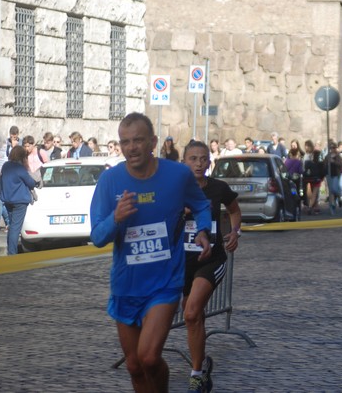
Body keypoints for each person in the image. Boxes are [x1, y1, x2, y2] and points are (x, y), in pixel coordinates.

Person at [90, 112, 212, 393]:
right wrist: (115, 219)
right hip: (125, 285)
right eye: (125, 142)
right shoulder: (110, 180)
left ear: (153, 142)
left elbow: (202, 204)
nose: (131, 147)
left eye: (138, 140)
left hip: (164, 284)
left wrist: (203, 230)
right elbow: (97, 237)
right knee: (134, 365)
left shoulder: (178, 174)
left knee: (149, 357)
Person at [182, 140, 241, 393]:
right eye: (193, 158)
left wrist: (235, 231)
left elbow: (235, 210)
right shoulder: (176, 190)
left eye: (203, 158)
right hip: (181, 262)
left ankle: (196, 375)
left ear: (209, 162)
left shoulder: (218, 188)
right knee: (193, 316)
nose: (198, 163)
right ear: (184, 162)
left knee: (193, 312)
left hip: (212, 259)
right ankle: (203, 363)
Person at [0, 146, 38, 255]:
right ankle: (12, 253)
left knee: (12, 226)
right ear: (22, 157)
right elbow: (31, 182)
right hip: (20, 201)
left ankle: (10, 250)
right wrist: (27, 166)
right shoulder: (20, 168)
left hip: (8, 200)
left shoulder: (6, 166)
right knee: (16, 228)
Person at [324, 141, 342, 213]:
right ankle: (332, 204)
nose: (332, 149)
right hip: (329, 175)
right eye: (331, 148)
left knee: (335, 189)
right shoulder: (327, 156)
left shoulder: (337, 156)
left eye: (333, 148)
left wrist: (334, 161)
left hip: (336, 174)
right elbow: (324, 165)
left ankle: (339, 198)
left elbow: (341, 165)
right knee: (331, 190)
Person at [303, 150, 325, 215]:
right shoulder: (320, 164)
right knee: (315, 194)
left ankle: (314, 206)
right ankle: (311, 207)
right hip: (317, 180)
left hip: (309, 179)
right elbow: (323, 173)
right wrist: (322, 179)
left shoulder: (308, 163)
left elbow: (305, 171)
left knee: (310, 194)